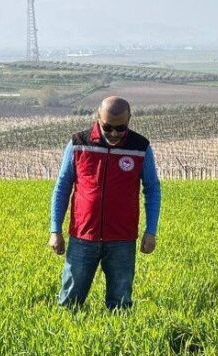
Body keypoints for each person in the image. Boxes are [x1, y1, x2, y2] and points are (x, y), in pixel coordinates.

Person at [49, 96, 162, 310]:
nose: (114, 134)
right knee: (69, 304)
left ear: (129, 120)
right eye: (108, 127)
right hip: (83, 237)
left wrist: (151, 231)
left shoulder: (140, 147)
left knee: (120, 306)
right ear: (97, 118)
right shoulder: (78, 144)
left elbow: (153, 189)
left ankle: (117, 342)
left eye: (121, 128)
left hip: (122, 239)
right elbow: (62, 187)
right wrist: (55, 230)